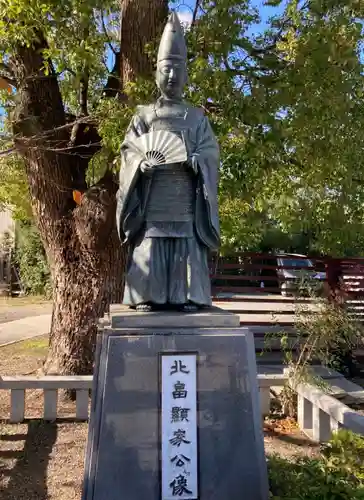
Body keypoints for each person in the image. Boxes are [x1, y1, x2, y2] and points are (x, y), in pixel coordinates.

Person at [116, 12, 220, 312]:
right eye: (166, 69)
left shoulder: (197, 118)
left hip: (185, 200)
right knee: (150, 244)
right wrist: (139, 164)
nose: (172, 76)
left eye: (178, 70)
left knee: (186, 244)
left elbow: (211, 153)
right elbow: (128, 151)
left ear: (186, 74)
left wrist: (199, 161)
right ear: (157, 73)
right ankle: (146, 295)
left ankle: (189, 296)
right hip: (153, 199)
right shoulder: (144, 116)